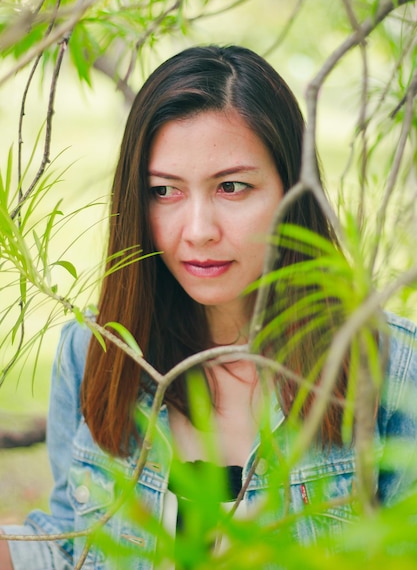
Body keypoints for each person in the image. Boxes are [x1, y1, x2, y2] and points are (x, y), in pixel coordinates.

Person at [1, 45, 417, 570]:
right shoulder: (95, 354)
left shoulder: (388, 366)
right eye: (164, 191)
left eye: (232, 186)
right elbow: (74, 546)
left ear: (293, 189)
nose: (198, 231)